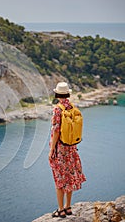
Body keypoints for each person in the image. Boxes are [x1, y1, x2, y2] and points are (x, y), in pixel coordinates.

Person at [49, 82, 86, 218]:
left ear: (57, 94)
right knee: (70, 177)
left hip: (60, 149)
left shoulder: (58, 109)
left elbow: (56, 131)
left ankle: (60, 210)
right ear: (68, 94)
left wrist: (52, 150)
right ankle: (68, 207)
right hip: (71, 149)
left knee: (59, 179)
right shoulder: (72, 107)